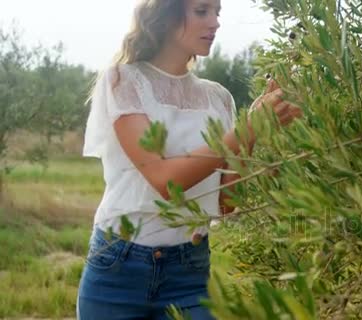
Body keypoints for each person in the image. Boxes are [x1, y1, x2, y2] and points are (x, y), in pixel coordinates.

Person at [77, 0, 302, 319]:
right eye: (202, 11)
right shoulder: (123, 81)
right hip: (118, 270)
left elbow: (226, 204)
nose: (215, 23)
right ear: (166, 14)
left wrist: (253, 133)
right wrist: (246, 129)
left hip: (188, 270)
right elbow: (166, 183)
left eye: (217, 13)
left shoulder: (218, 98)